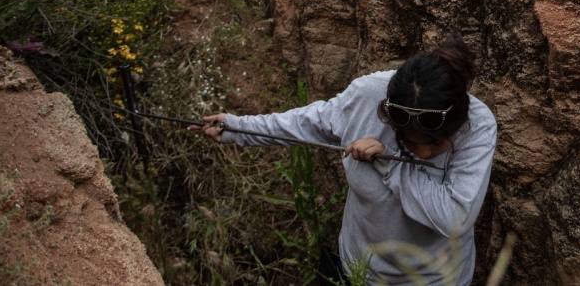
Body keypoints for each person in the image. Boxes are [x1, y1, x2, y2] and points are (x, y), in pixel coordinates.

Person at [194, 32, 496, 286]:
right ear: (390, 119)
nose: (425, 154)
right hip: (358, 271)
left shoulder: (478, 125)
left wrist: (388, 162)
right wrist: (238, 127)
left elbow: (456, 217)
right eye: (410, 144)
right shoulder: (367, 96)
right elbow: (306, 124)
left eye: (436, 144)